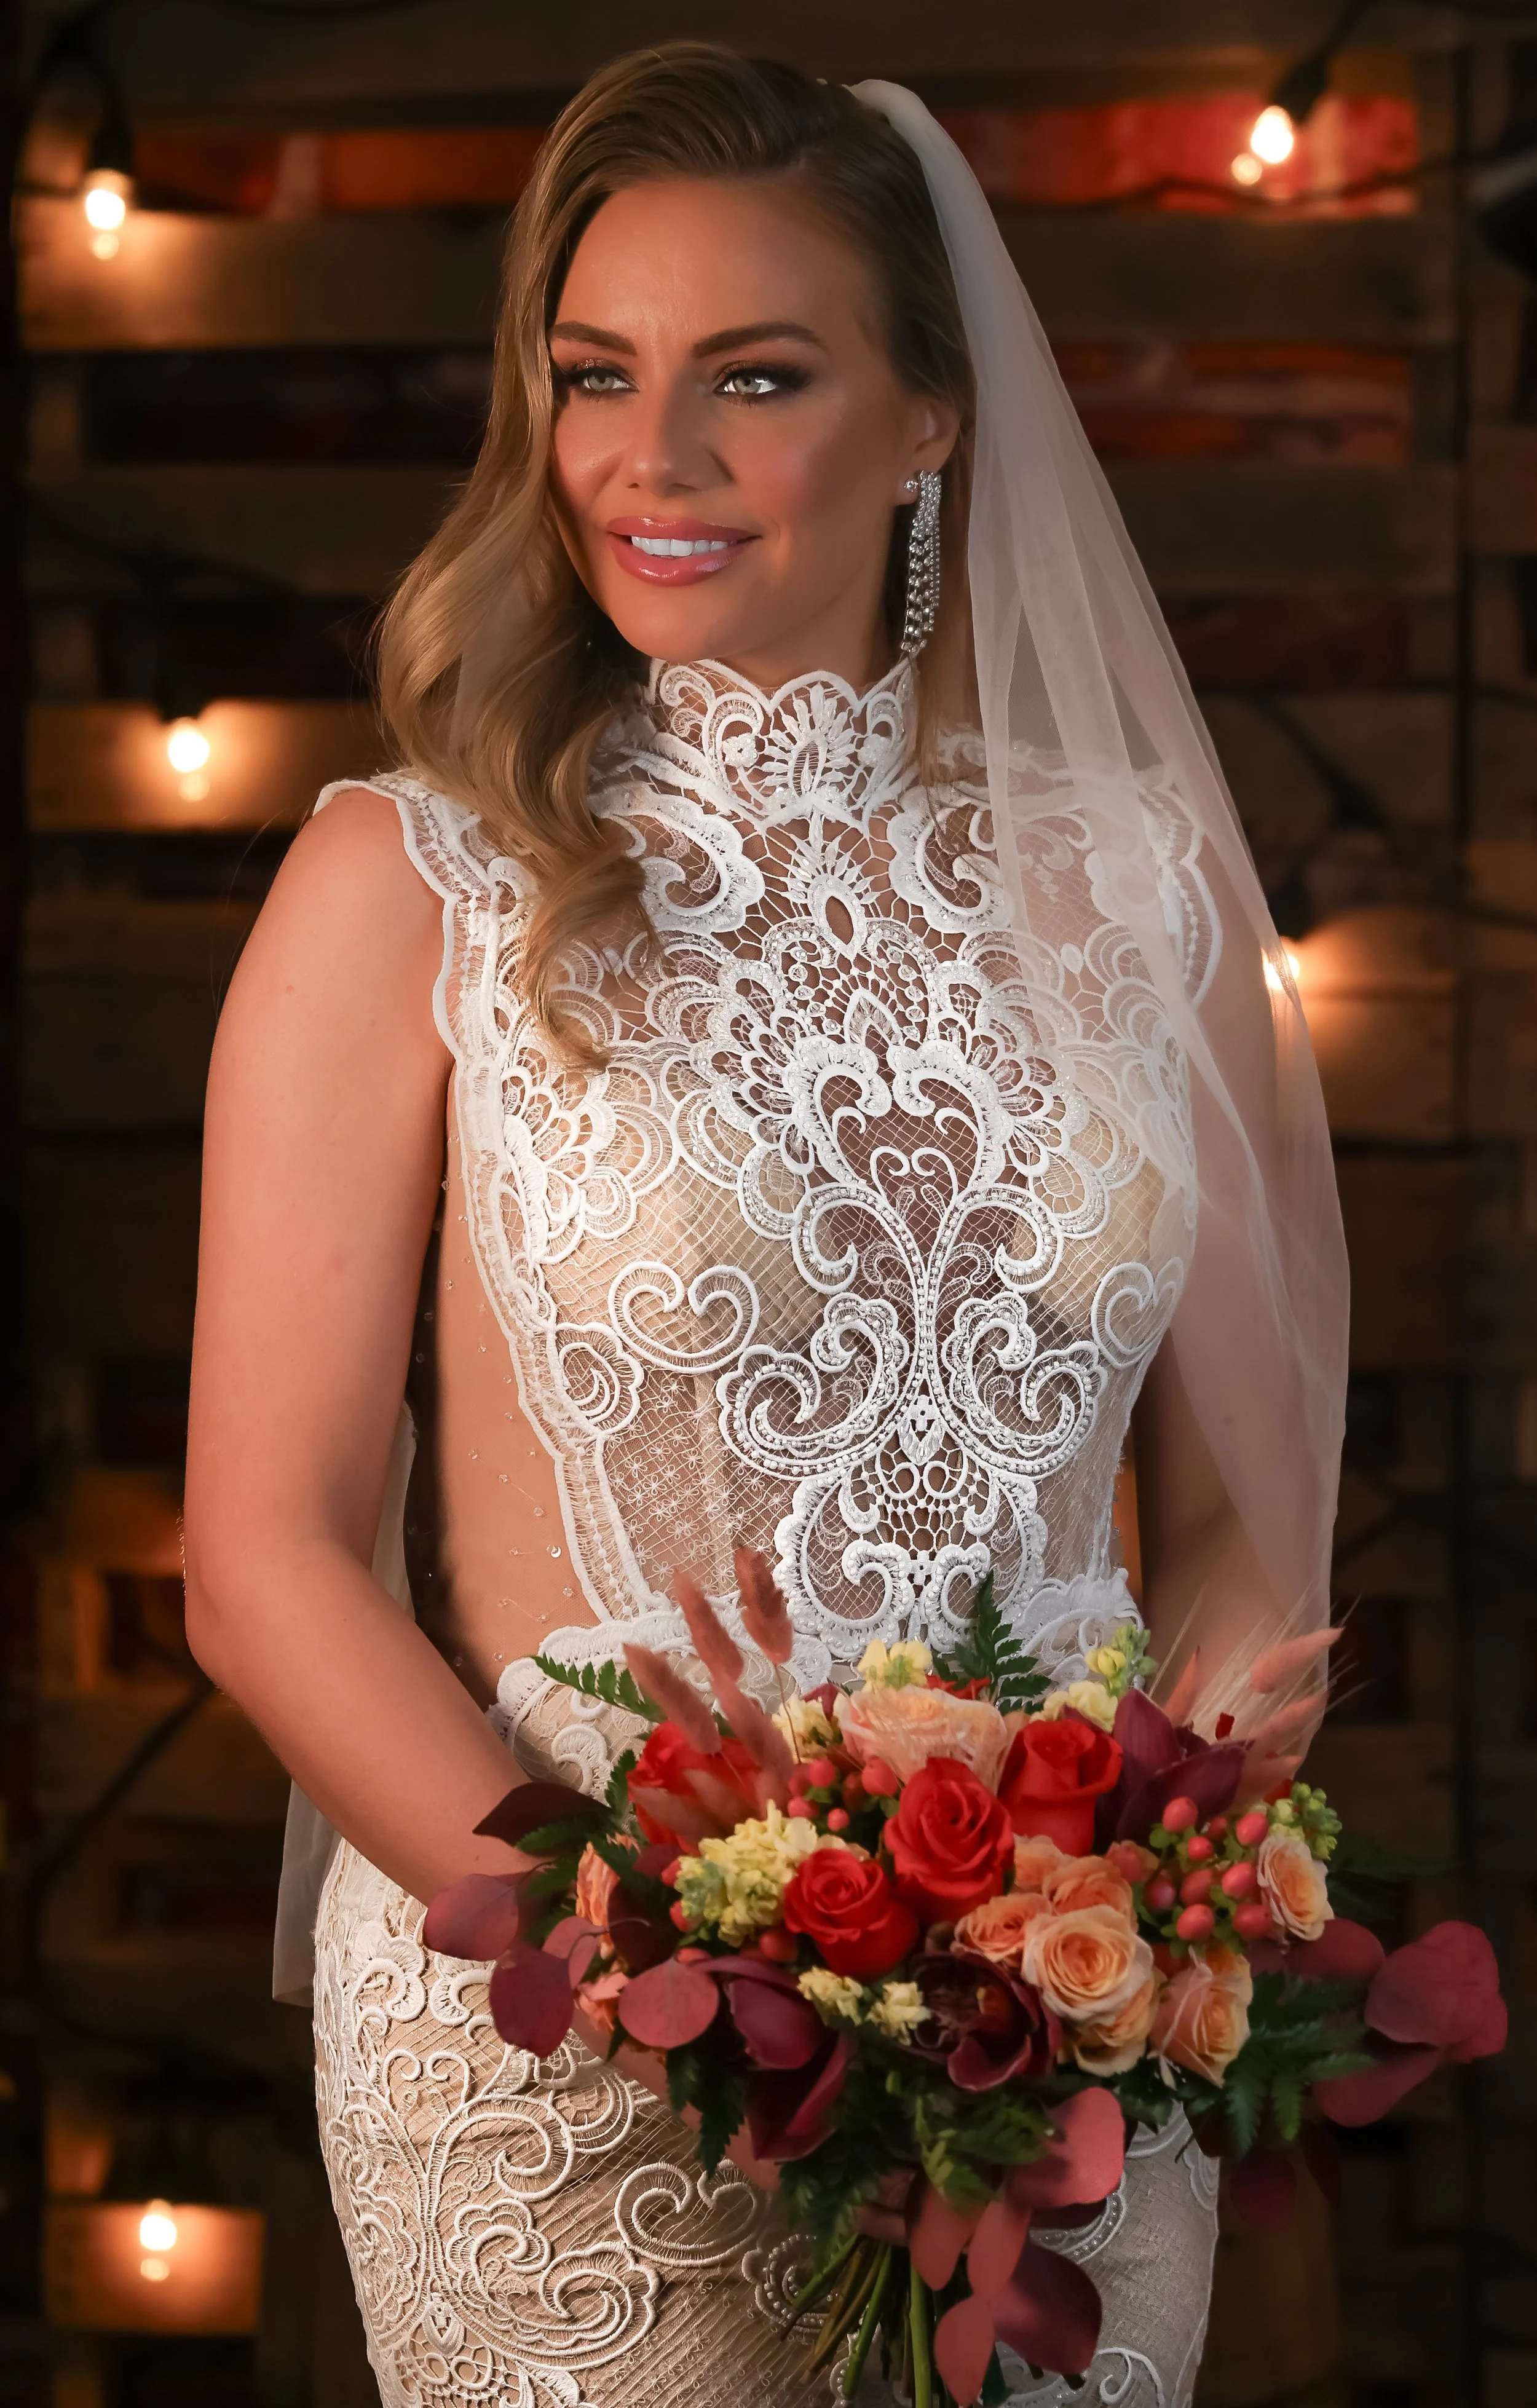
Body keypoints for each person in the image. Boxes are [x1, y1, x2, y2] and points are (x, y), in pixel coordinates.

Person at [183, 44, 1346, 2408]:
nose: (651, 457)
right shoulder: (403, 884)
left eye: (758, 378)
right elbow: (264, 1556)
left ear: (931, 416)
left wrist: (1135, 1904)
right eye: (596, 376)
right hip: (570, 2039)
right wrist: (647, 1972)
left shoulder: (1147, 892)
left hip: (1060, 2060)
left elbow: (1246, 1514)